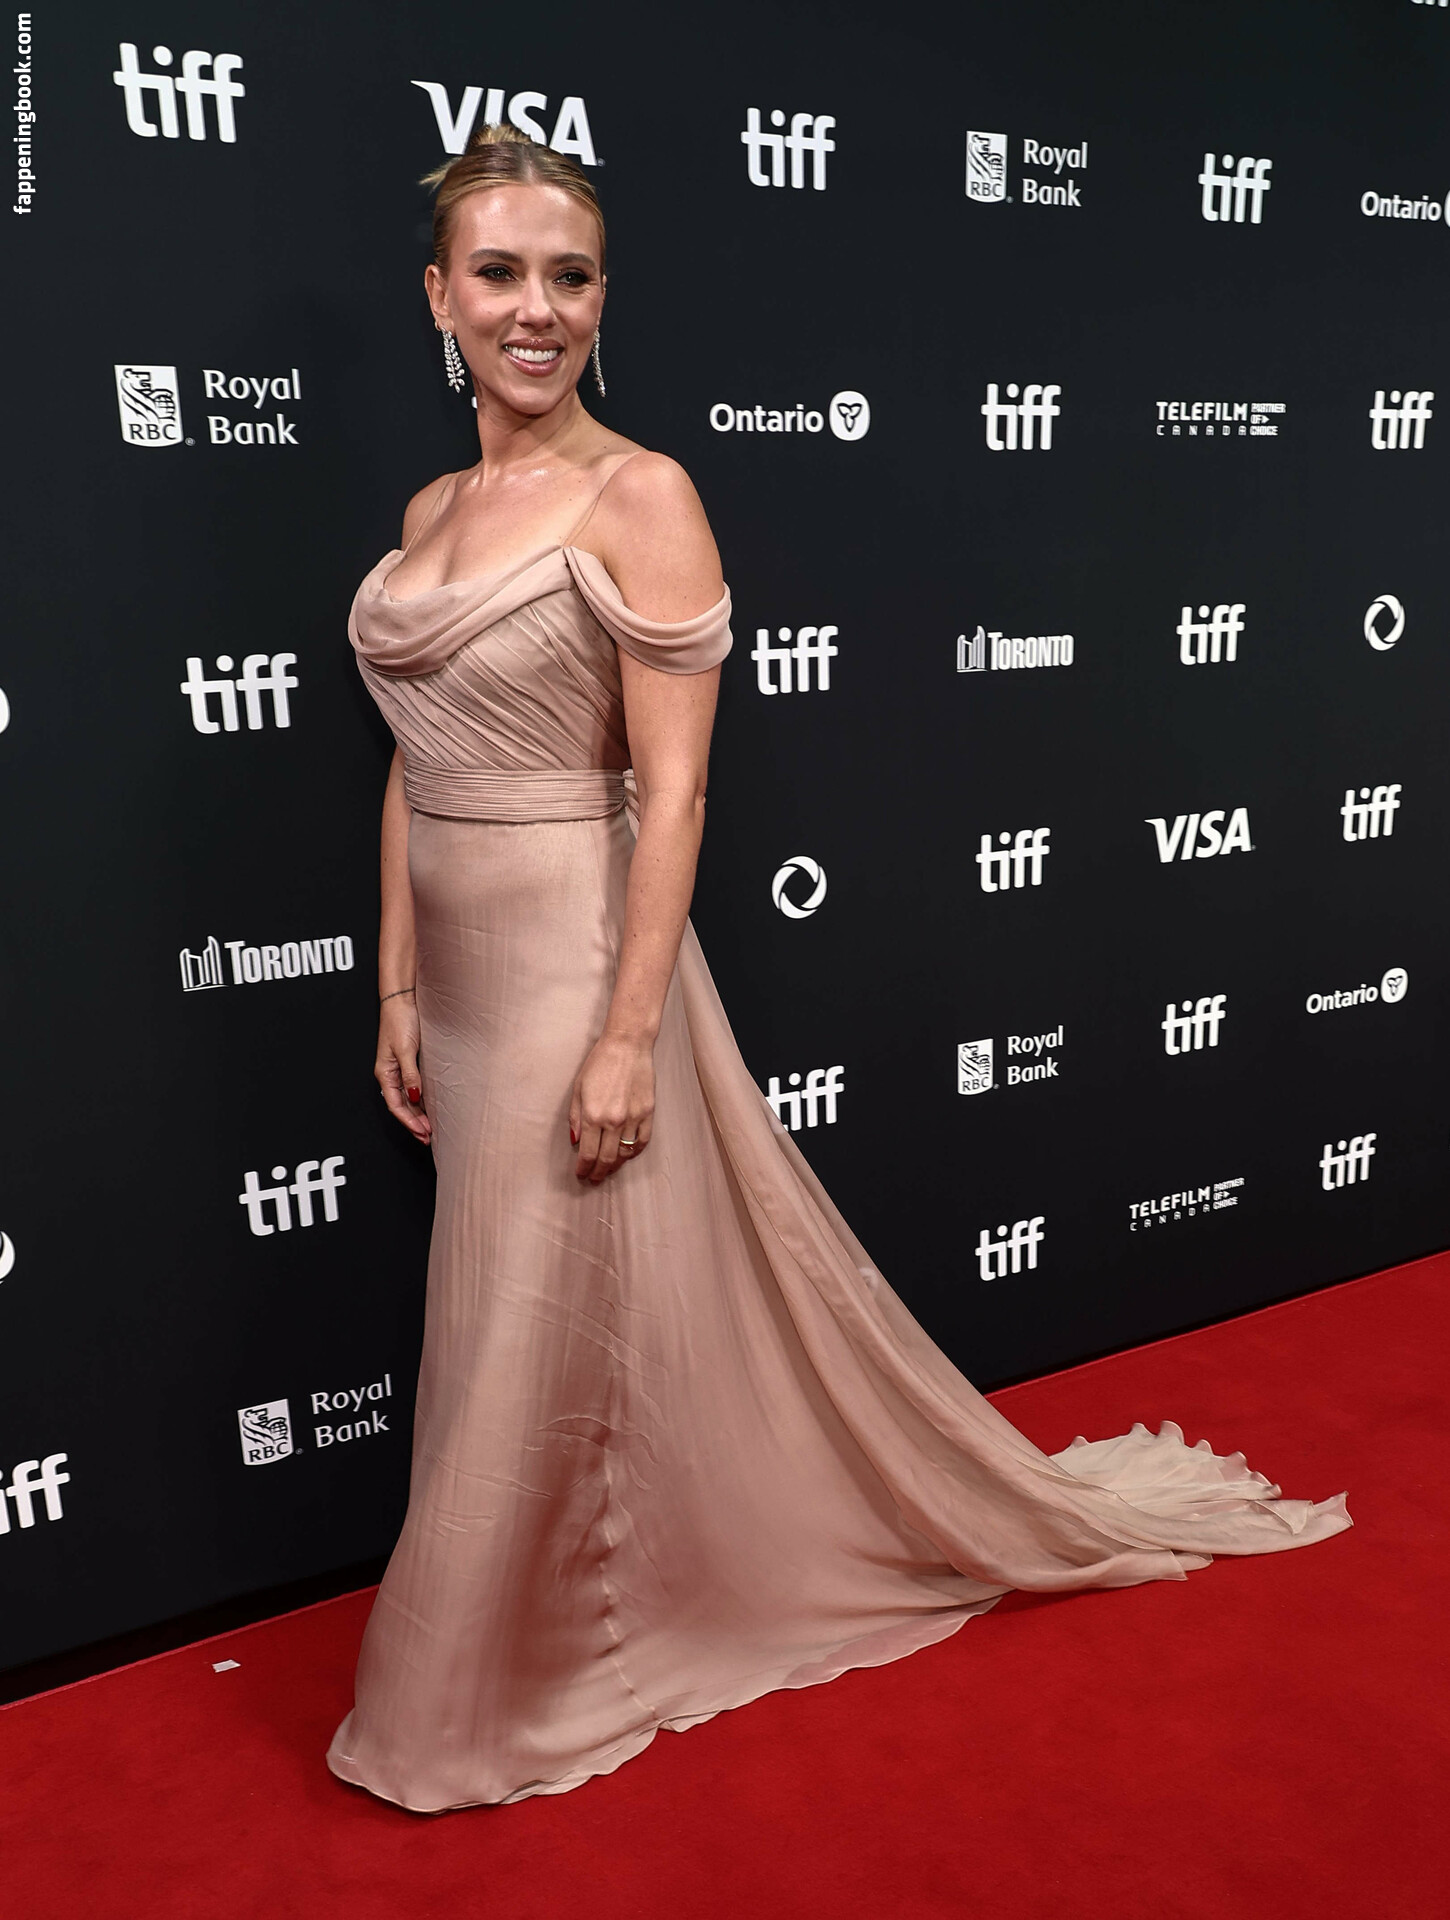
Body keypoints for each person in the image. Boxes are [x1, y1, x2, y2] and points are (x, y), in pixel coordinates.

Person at [327, 125, 1350, 1814]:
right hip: (465, 978)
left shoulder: (640, 494)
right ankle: (519, 1631)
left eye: (569, 275)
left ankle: (507, 1675)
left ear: (603, 300)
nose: (535, 308)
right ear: (439, 296)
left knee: (532, 1311)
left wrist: (627, 1034)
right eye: (498, 273)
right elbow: (414, 762)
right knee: (503, 1312)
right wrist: (392, 984)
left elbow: (674, 792)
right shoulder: (434, 509)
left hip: (579, 954)